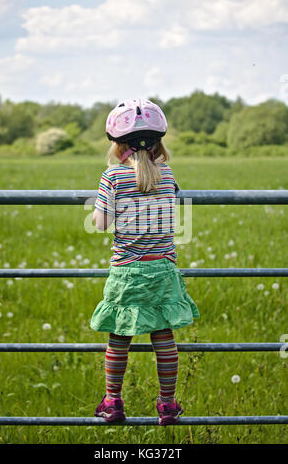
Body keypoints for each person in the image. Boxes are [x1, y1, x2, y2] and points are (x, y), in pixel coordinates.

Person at [90, 98, 200, 426]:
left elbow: (100, 223)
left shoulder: (112, 177)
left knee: (118, 338)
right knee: (163, 337)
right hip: (163, 268)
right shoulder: (168, 175)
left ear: (117, 145)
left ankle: (113, 402)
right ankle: (167, 404)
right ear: (159, 143)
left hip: (127, 271)